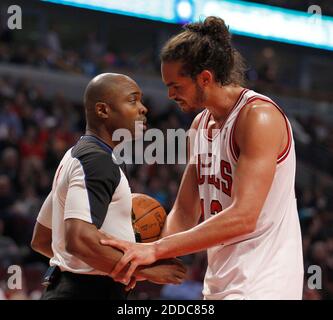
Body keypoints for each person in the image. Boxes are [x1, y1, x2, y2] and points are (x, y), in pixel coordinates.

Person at [100, 17, 304, 300]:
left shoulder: (258, 117)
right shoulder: (200, 126)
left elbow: (244, 217)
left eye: (176, 86)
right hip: (221, 282)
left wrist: (157, 249)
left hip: (265, 281)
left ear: (204, 78)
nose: (170, 94)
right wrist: (148, 258)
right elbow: (184, 212)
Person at [30, 73, 186, 300]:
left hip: (70, 287)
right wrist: (144, 269)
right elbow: (79, 240)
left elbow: (43, 239)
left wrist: (110, 266)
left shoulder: (76, 156)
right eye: (132, 100)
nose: (143, 109)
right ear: (103, 110)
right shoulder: (97, 161)